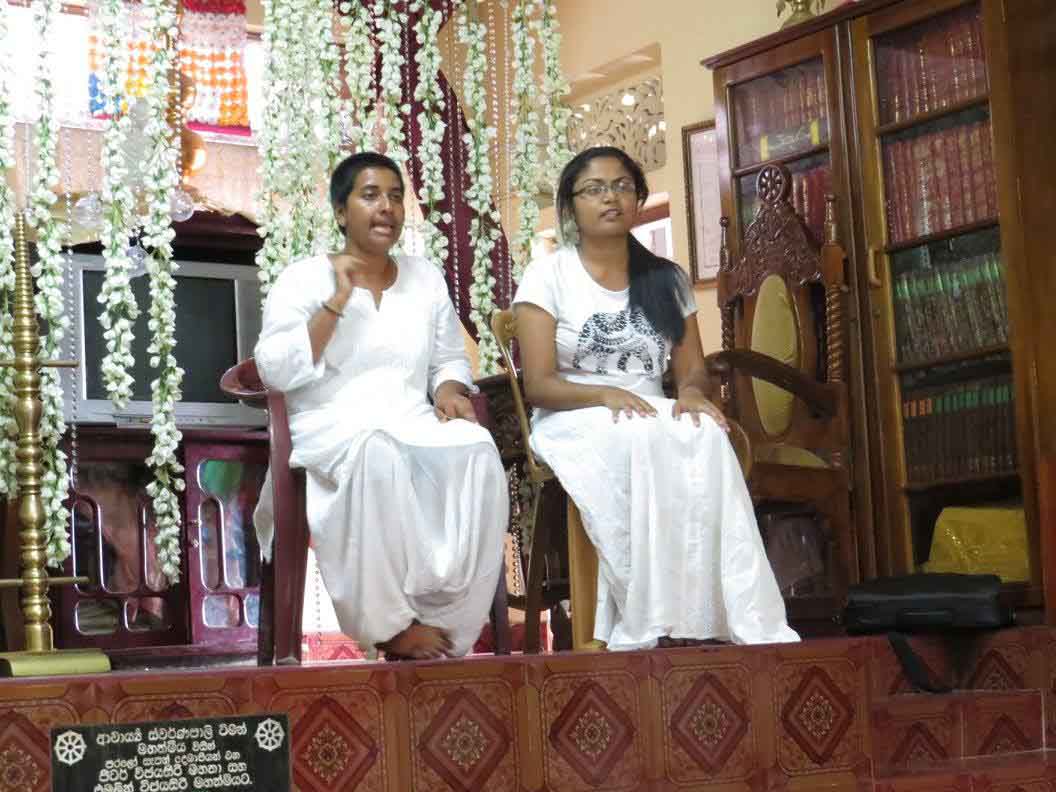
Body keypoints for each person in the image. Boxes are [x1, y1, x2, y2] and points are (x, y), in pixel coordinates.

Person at [513, 146, 799, 651]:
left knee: (707, 434)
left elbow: (692, 369)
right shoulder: (548, 275)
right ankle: (646, 612)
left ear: (639, 198)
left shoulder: (667, 279)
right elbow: (537, 384)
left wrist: (690, 394)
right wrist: (604, 393)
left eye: (622, 186)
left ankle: (714, 612)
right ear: (571, 205)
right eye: (594, 189)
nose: (610, 198)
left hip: (648, 409)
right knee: (640, 435)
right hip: (572, 411)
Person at [253, 152, 508, 660]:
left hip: (411, 417)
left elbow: (448, 360)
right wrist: (336, 301)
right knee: (378, 453)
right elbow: (275, 371)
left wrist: (449, 391)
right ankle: (389, 627)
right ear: (340, 210)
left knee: (479, 449)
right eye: (370, 195)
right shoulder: (303, 278)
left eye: (395, 196)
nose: (386, 207)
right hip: (332, 423)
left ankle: (452, 622)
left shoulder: (424, 277)